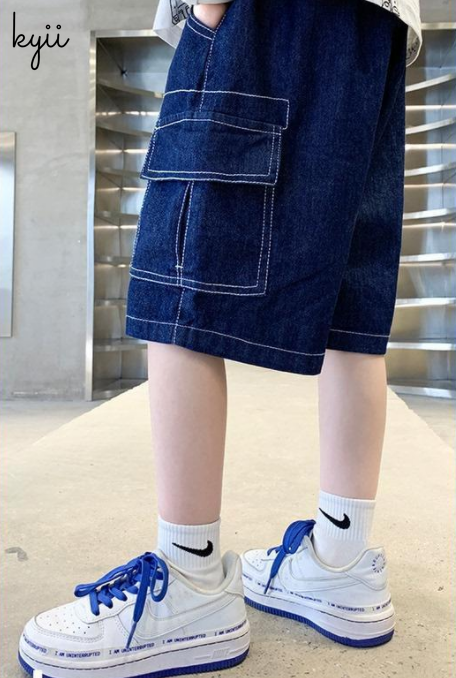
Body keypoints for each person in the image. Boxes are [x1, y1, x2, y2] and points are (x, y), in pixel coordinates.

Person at [18, 0, 422, 676]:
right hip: (377, 30)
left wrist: (207, 12)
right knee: (351, 311)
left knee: (177, 285)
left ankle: (191, 580)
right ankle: (340, 564)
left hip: (268, 19)